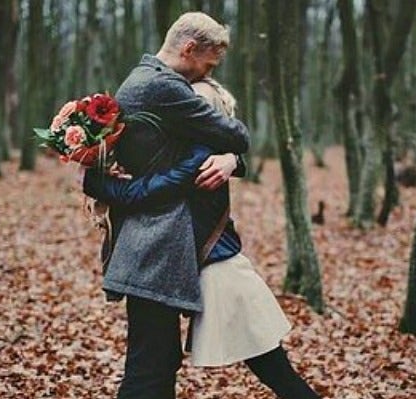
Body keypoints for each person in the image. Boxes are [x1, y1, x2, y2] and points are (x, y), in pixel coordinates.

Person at [83, 76, 321, 398]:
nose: (187, 108)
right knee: (158, 366)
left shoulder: (203, 155)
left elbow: (139, 193)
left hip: (218, 265)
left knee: (274, 368)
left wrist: (94, 181)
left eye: (198, 104)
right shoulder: (194, 150)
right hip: (182, 265)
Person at [87, 12, 249, 399]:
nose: (206, 77)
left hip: (151, 243)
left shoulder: (142, 77)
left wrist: (230, 161)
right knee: (149, 366)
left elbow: (211, 150)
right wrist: (229, 152)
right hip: (152, 244)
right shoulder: (164, 87)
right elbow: (234, 134)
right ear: (189, 48)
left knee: (156, 362)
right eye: (207, 65)